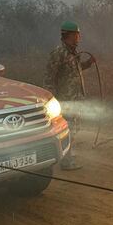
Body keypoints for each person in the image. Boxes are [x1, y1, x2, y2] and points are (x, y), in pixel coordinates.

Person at [44, 21, 95, 169]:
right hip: (64, 100)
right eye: (76, 34)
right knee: (66, 129)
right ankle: (65, 161)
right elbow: (49, 76)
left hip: (75, 99)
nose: (79, 37)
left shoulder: (74, 53)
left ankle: (67, 154)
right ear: (69, 35)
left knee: (73, 128)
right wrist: (50, 98)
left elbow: (75, 70)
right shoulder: (59, 53)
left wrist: (88, 63)